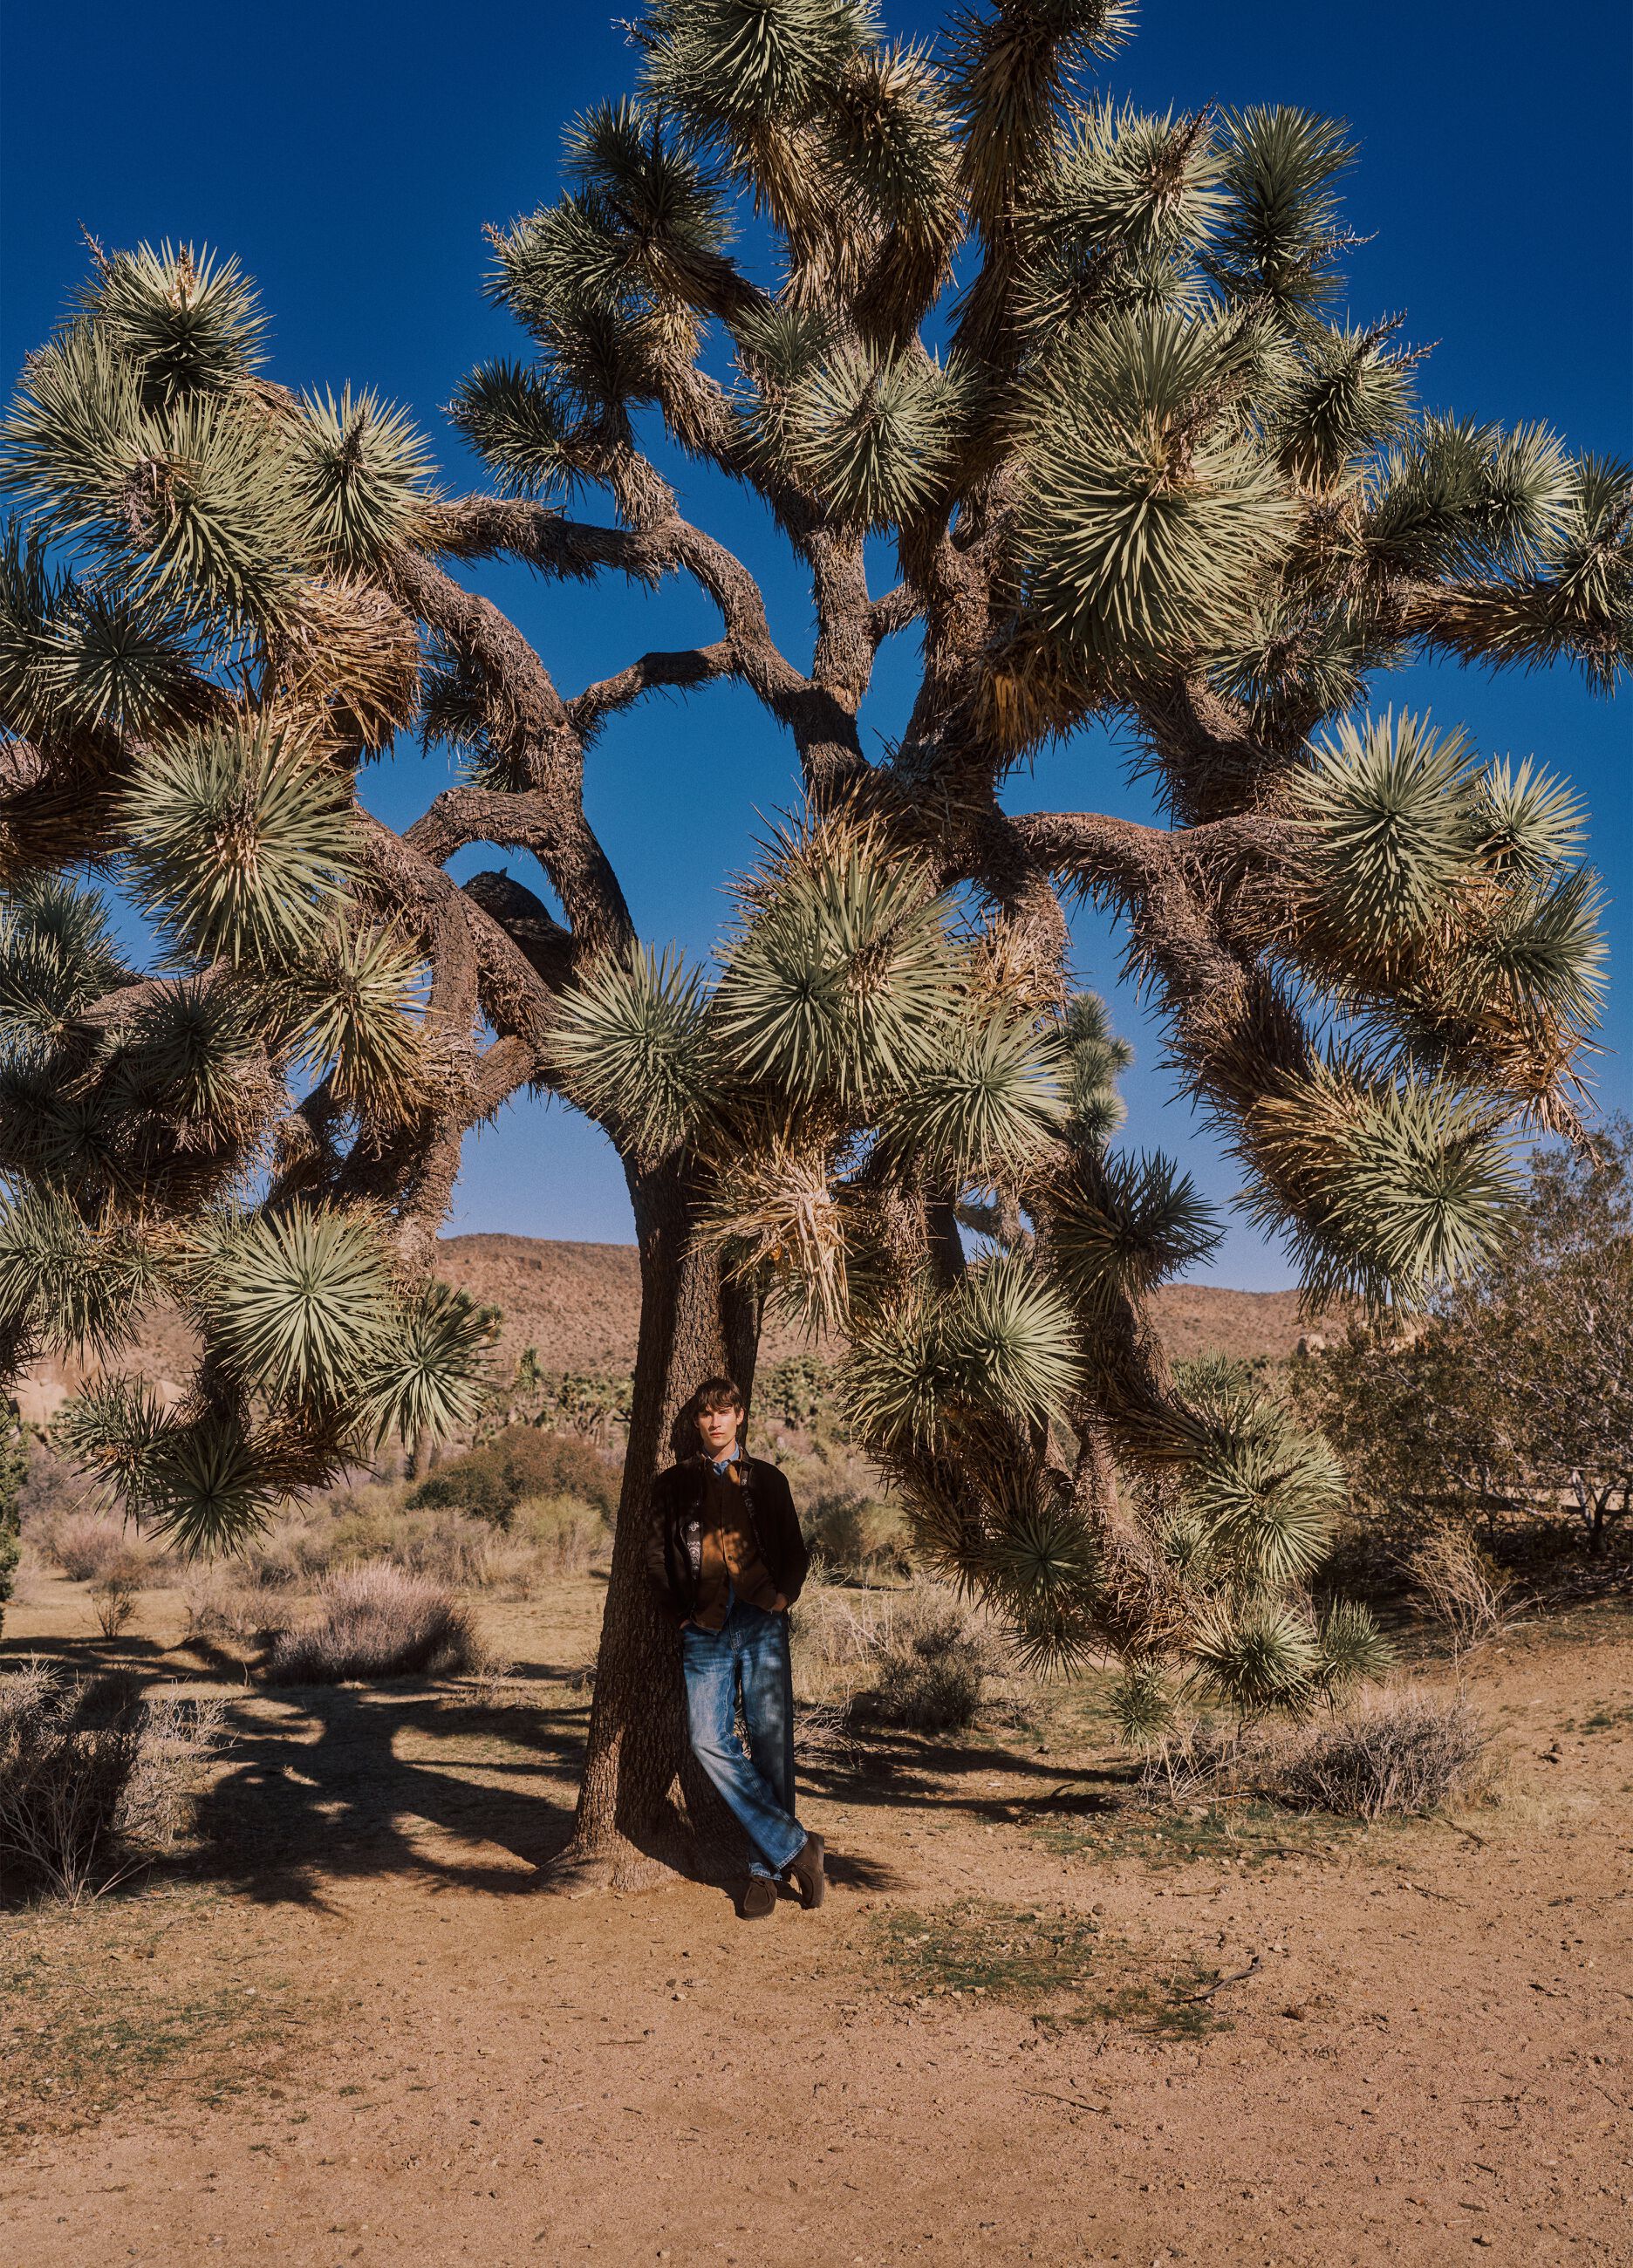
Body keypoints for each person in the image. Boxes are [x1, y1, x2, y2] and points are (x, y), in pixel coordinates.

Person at [646, 1375, 824, 1920]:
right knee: (707, 1739)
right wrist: (678, 1615)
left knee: (772, 1744)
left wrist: (783, 1597)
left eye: (724, 1411)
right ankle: (797, 1846)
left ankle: (763, 1872)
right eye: (707, 1413)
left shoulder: (768, 1480)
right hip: (703, 1625)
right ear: (697, 1421)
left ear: (739, 1415)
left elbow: (794, 1549)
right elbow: (656, 1558)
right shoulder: (674, 1485)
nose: (716, 1421)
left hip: (761, 1619)